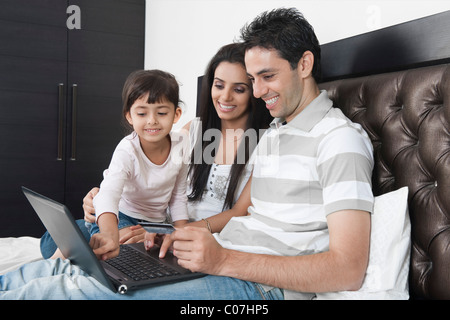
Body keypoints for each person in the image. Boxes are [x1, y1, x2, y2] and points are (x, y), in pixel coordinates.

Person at [0, 8, 374, 300]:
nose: (258, 92)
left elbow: (348, 269)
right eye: (253, 79)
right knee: (77, 269)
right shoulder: (276, 133)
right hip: (218, 259)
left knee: (88, 291)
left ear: (304, 64)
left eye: (266, 77)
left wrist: (224, 259)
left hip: (258, 289)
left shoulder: (339, 140)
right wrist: (177, 237)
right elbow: (240, 212)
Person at [39, 43, 272, 258]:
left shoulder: (263, 143)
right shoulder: (191, 130)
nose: (225, 96)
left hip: (179, 232)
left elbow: (240, 212)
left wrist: (170, 232)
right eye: (219, 85)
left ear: (254, 90)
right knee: (54, 239)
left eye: (239, 89)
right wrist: (100, 199)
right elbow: (148, 173)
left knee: (82, 244)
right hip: (156, 224)